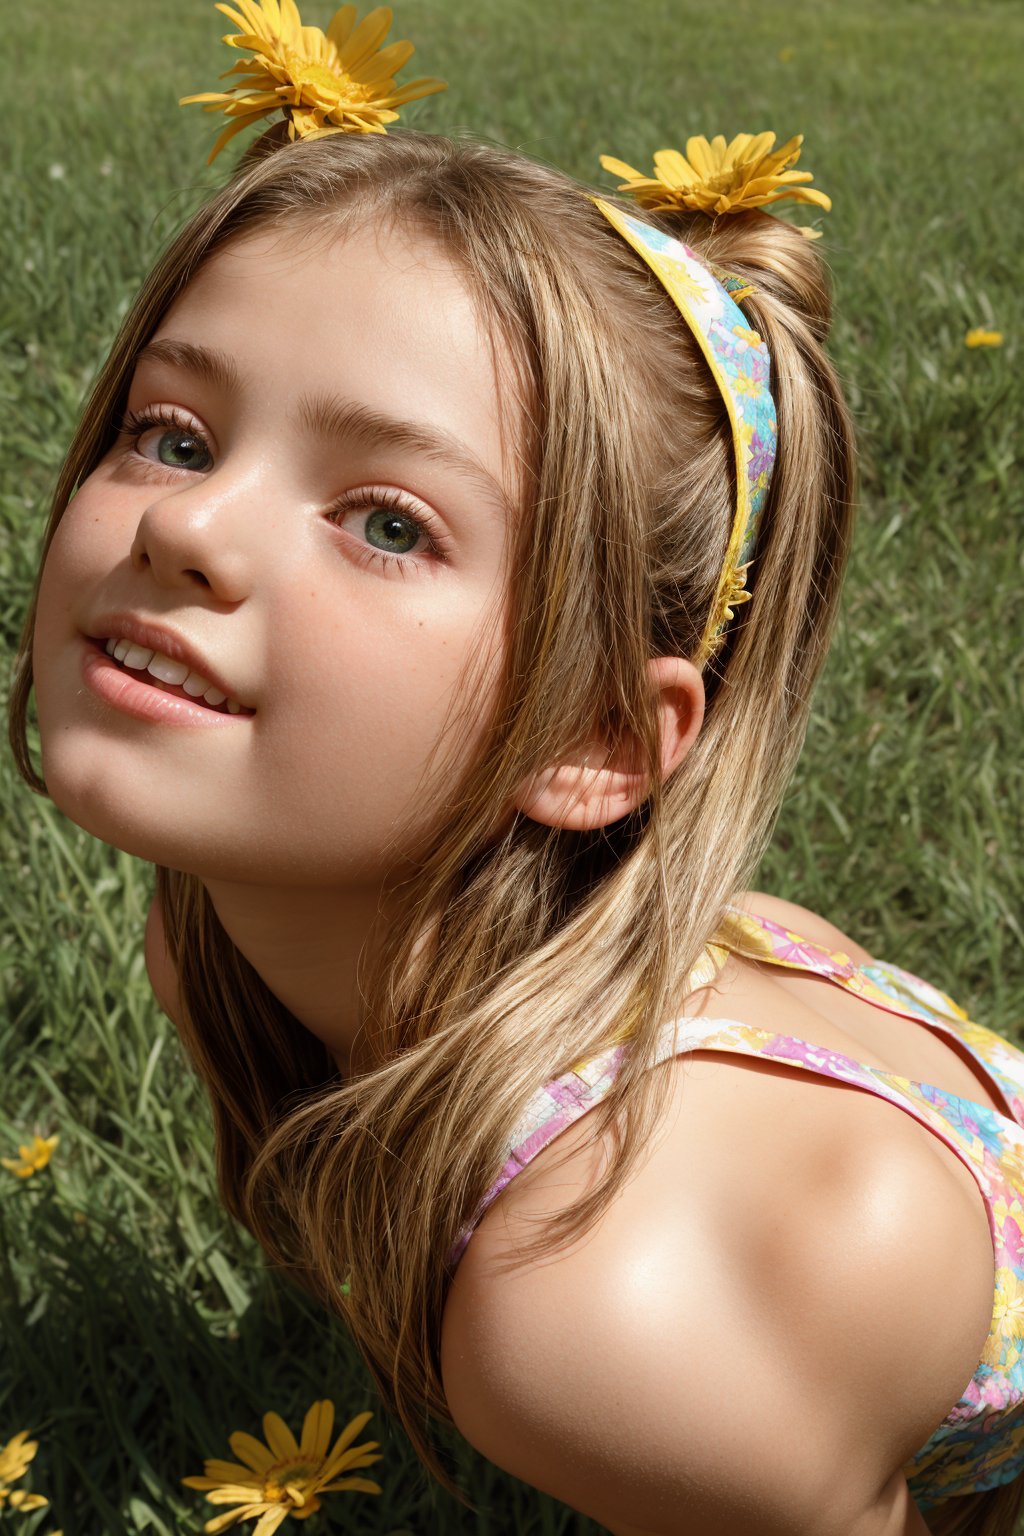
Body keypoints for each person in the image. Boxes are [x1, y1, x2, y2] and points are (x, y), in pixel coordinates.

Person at [9, 4, 1023, 1533]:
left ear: (597, 740)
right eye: (174, 432)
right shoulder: (213, 941)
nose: (184, 529)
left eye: (390, 521)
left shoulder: (606, 1303)